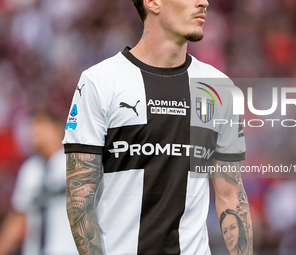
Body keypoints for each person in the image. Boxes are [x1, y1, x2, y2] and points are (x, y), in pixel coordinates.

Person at [63, 0, 253, 254]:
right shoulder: (100, 82)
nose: (204, 2)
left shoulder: (217, 87)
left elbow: (231, 195)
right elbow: (80, 197)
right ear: (152, 2)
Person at [0, 109, 78, 255]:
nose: (35, 131)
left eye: (41, 125)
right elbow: (19, 216)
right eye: (33, 126)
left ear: (57, 129)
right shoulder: (30, 169)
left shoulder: (75, 162)